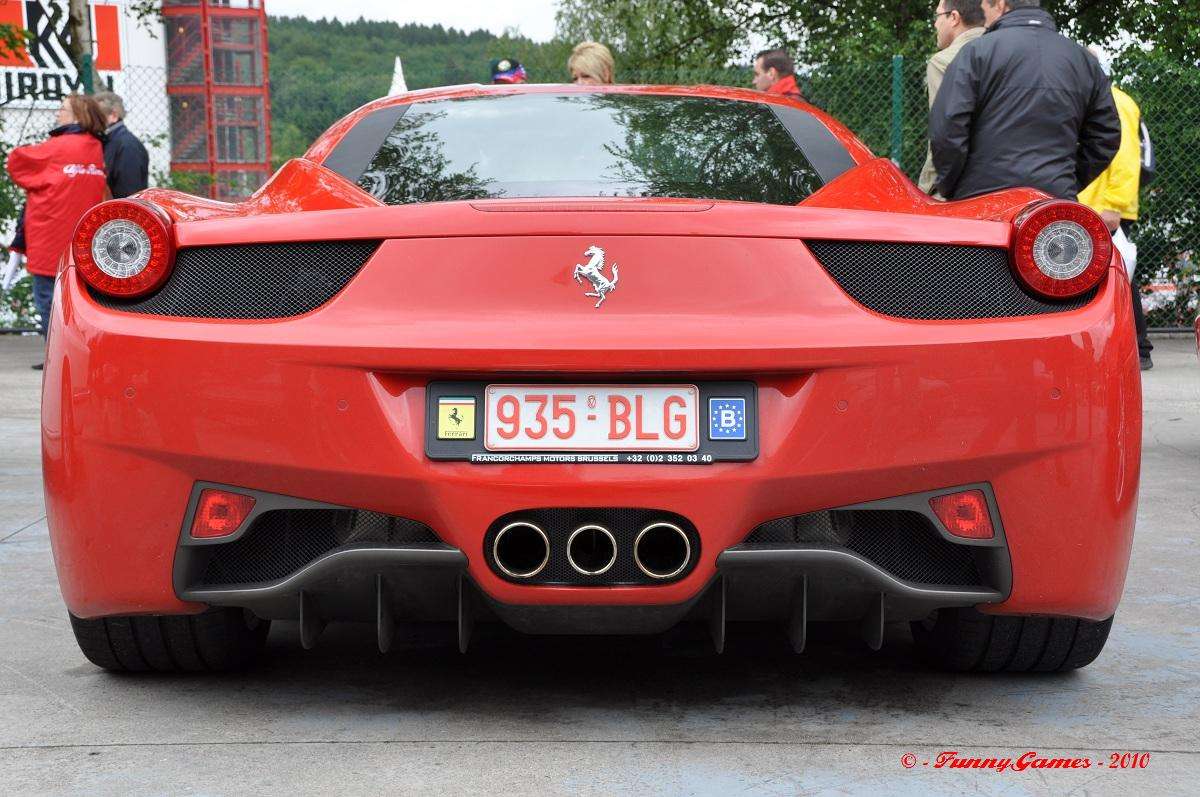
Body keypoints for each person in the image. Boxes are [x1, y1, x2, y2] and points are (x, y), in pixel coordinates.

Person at [929, 0, 1120, 200]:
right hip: (1053, 204)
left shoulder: (974, 53)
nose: (983, 17)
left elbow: (947, 130)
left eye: (985, 7)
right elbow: (1106, 134)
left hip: (983, 202)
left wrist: (952, 186)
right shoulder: (1083, 59)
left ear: (1000, 4)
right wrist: (1068, 180)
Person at [5, 93, 108, 369]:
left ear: (75, 116)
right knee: (81, 304)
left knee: (48, 302)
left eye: (62, 110)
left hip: (49, 240)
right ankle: (79, 358)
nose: (57, 114)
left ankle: (57, 360)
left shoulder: (57, 148)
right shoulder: (96, 148)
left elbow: (17, 161)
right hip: (83, 242)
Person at [1077, 54, 1152, 369]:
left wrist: (1113, 206)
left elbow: (1123, 159)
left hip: (1104, 206)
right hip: (1097, 203)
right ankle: (1136, 348)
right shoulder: (1106, 99)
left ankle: (1138, 348)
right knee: (1117, 277)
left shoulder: (1114, 102)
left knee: (1117, 278)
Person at [918, 0, 985, 194]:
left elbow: (944, 137)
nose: (934, 24)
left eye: (937, 16)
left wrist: (927, 189)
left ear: (954, 18)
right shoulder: (1005, 53)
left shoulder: (943, 62)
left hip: (960, 190)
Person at [92, 91, 149, 199]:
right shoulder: (111, 141)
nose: (92, 121)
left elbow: (128, 195)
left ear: (113, 115)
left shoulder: (127, 146)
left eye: (97, 116)